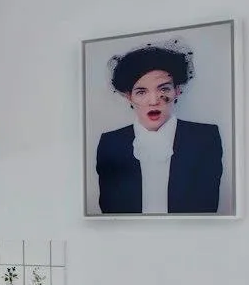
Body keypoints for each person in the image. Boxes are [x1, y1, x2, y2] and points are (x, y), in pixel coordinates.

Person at [94, 43, 223, 214]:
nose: (154, 101)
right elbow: (110, 211)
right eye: (141, 92)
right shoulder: (110, 143)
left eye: (164, 89)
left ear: (177, 91)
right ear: (128, 96)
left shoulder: (205, 138)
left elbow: (207, 208)